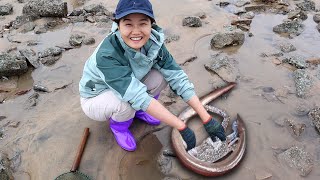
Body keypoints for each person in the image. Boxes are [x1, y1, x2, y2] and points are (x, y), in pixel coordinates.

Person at [79, 0, 226, 152]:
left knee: (162, 76)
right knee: (125, 103)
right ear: (118, 25)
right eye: (128, 24)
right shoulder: (107, 54)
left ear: (151, 24)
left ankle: (141, 111)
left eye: (143, 23)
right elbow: (136, 96)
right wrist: (181, 126)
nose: (136, 32)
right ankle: (119, 127)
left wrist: (206, 118)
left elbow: (177, 77)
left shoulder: (154, 43)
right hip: (95, 97)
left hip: (129, 85)